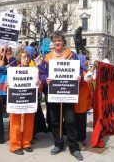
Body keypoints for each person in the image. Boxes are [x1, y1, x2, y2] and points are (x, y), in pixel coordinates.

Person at [39, 32, 83, 160]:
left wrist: (79, 76)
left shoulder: (71, 55)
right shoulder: (47, 57)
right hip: (53, 94)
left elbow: (79, 69)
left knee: (70, 120)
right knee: (54, 120)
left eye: (60, 40)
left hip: (68, 93)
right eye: (55, 41)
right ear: (53, 42)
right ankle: (58, 144)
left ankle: (74, 147)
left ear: (64, 41)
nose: (57, 43)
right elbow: (41, 72)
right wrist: (44, 79)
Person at [6, 51, 43, 155]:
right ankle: (14, 145)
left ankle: (26, 143)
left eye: (27, 57)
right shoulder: (12, 71)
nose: (26, 59)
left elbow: (39, 89)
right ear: (19, 59)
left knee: (29, 123)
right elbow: (5, 88)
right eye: (23, 57)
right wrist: (7, 85)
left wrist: (39, 85)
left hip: (29, 100)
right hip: (16, 100)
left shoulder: (34, 71)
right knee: (15, 123)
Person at [74, 53, 93, 151]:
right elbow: (88, 78)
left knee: (81, 122)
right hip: (78, 103)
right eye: (85, 59)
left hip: (83, 102)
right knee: (79, 123)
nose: (87, 61)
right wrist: (93, 68)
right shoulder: (80, 72)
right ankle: (79, 141)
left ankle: (81, 139)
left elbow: (91, 79)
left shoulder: (84, 70)